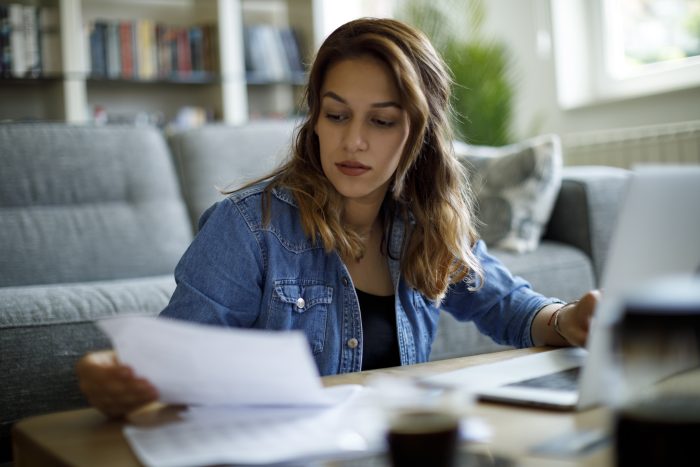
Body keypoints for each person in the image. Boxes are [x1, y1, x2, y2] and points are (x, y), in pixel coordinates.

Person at [77, 17, 600, 418]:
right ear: (315, 121)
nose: (353, 141)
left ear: (418, 133)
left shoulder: (425, 224)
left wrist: (566, 319)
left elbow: (509, 307)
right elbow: (171, 363)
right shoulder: (247, 227)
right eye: (336, 114)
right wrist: (118, 379)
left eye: (381, 120)